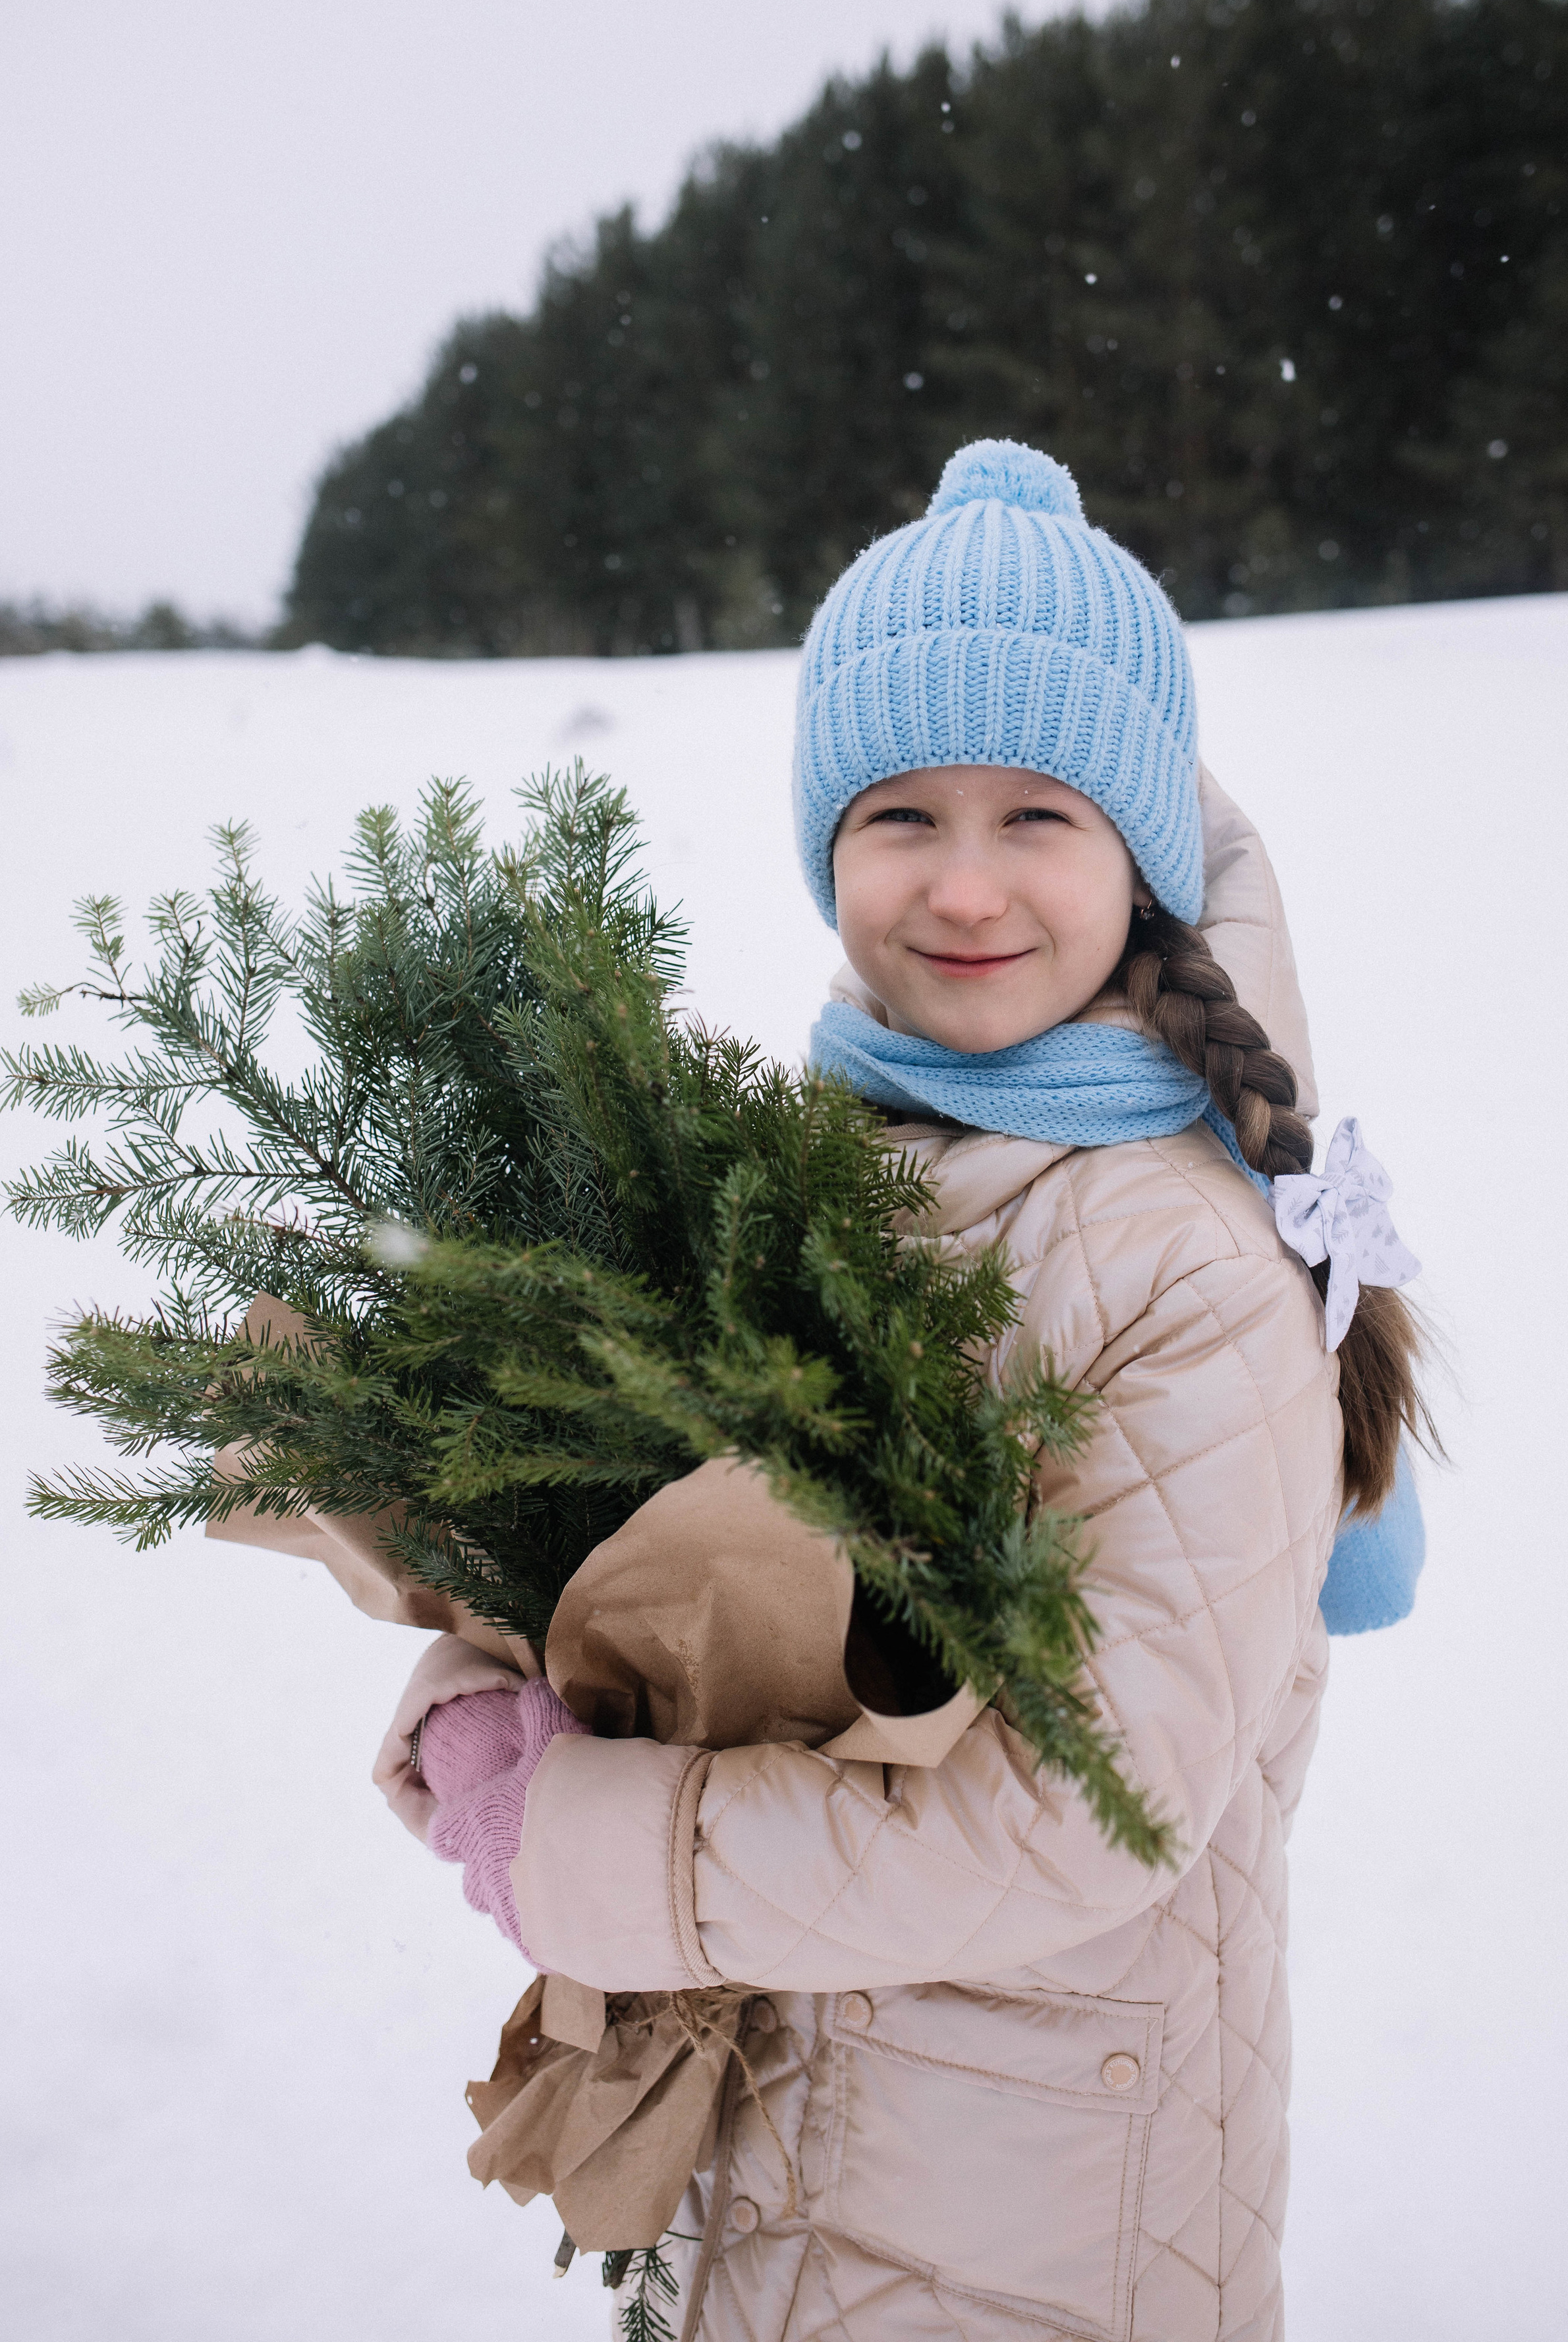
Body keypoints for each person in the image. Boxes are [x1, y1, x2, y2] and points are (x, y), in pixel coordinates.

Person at [383, 439, 1430, 2341]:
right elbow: (642, 1552)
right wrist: (487, 1684)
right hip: (782, 2164)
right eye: (898, 816)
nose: (963, 887)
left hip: (1037, 2233)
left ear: (1140, 855)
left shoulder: (1181, 1266)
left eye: (1039, 813)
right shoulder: (811, 1165)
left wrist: (589, 1844)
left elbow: (1078, 1816)